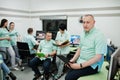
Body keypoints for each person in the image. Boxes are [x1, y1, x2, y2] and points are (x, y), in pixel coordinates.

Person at [65, 14, 107, 80]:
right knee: (68, 75)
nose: (85, 25)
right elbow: (80, 49)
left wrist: (80, 65)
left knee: (69, 78)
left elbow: (98, 57)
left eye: (88, 22)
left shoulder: (99, 35)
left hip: (92, 66)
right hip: (81, 61)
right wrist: (72, 60)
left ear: (94, 22)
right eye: (83, 22)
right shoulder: (83, 33)